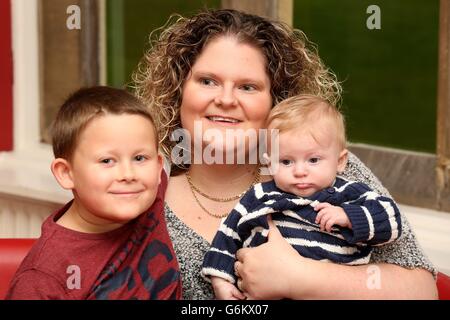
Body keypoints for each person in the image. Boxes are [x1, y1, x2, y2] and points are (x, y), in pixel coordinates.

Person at [133, 8, 437, 299]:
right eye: (207, 81)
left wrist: (301, 277)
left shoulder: (324, 170)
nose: (225, 99)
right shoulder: (139, 190)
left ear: (276, 102)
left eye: (248, 87)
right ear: (178, 91)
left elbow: (423, 291)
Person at [201, 94, 403, 299]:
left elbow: (392, 220)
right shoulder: (260, 196)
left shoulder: (349, 194)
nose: (300, 171)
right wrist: (221, 281)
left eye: (313, 160)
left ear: (340, 161)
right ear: (269, 163)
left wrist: (349, 216)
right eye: (286, 162)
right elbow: (228, 235)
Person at [6, 86, 182, 300]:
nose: (128, 174)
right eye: (107, 161)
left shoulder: (152, 195)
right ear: (66, 173)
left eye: (139, 158)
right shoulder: (43, 278)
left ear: (157, 167)